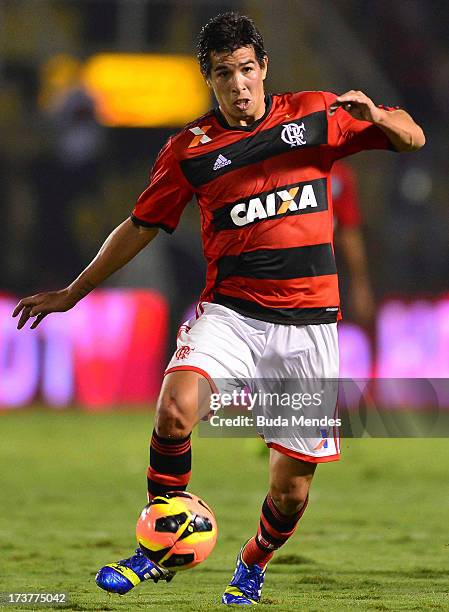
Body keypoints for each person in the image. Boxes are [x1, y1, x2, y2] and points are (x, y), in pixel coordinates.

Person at [13, 12, 425, 606]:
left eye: (247, 70)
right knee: (176, 408)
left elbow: (415, 137)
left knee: (291, 493)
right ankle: (157, 546)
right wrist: (72, 293)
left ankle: (253, 560)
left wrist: (378, 117)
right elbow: (139, 225)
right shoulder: (189, 151)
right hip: (231, 313)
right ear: (208, 78)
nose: (239, 85)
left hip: (310, 327)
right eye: (224, 73)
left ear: (265, 69)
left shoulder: (314, 114)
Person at [332, 160, 375, 327]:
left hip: (324, 274)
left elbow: (349, 232)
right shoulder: (275, 166)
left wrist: (360, 285)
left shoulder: (337, 175)